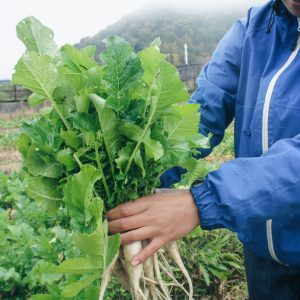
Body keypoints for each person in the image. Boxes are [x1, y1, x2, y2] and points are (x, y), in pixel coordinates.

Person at [107, 0, 300, 298]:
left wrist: (202, 202)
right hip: (262, 255)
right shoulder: (253, 29)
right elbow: (203, 112)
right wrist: (138, 174)